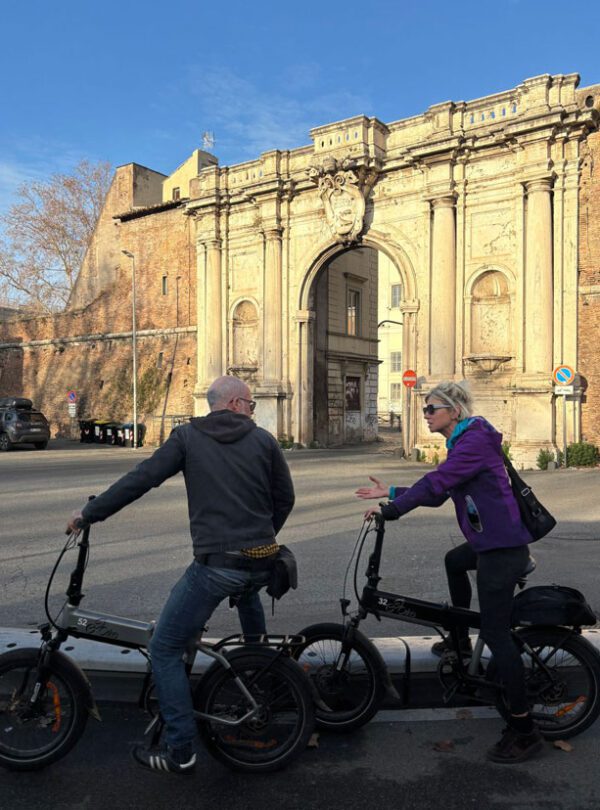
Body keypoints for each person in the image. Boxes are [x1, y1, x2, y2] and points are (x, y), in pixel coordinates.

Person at [67, 375, 295, 775]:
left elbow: (141, 479)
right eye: (252, 404)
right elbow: (285, 498)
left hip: (217, 564)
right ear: (238, 403)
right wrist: (261, 534)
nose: (254, 410)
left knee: (165, 648)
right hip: (262, 558)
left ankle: (180, 748)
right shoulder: (264, 441)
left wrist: (90, 514)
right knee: (245, 589)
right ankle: (260, 675)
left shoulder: (188, 437)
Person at [355, 381, 543, 764]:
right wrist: (391, 490)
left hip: (501, 548)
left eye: (432, 408)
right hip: (488, 541)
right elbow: (441, 491)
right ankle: (459, 642)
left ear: (454, 410)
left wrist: (393, 510)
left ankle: (524, 731)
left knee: (495, 632)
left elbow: (437, 482)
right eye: (424, 409)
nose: (426, 414)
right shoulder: (463, 441)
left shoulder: (473, 441)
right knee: (453, 561)